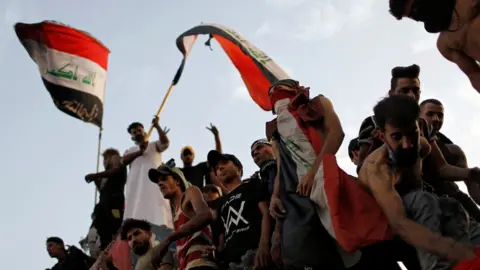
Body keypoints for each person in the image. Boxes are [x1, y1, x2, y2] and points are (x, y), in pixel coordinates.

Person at [267, 79, 394, 269]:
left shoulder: (316, 104)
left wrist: (312, 173)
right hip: (298, 198)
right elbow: (280, 165)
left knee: (364, 240)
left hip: (327, 181)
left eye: (279, 88)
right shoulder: (275, 128)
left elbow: (337, 134)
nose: (276, 94)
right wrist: (275, 195)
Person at [358, 94, 480, 269]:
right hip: (383, 223)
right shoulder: (378, 168)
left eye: (412, 134)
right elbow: (399, 223)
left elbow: (441, 170)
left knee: (451, 206)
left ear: (419, 126)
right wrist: (452, 249)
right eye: (397, 137)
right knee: (423, 200)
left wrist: (471, 174)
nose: (408, 144)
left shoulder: (421, 146)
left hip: (418, 215)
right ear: (381, 136)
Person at [388, 0, 480, 94]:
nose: (417, 12)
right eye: (412, 14)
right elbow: (474, 74)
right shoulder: (445, 44)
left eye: (416, 5)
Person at [207, 150, 273, 269]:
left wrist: (264, 244)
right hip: (232, 263)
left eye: (225, 163)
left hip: (256, 255)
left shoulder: (251, 185)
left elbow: (266, 213)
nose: (220, 168)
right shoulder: (220, 204)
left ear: (239, 168)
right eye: (217, 168)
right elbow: (221, 237)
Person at [148, 159, 218, 270]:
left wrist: (168, 240)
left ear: (177, 181)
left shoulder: (190, 193)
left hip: (200, 264)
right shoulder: (174, 213)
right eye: (158, 182)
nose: (160, 183)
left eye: (164, 179)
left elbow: (205, 215)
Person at [122, 117, 173, 265]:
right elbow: (123, 161)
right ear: (131, 136)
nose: (137, 132)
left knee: (159, 215)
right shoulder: (131, 150)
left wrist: (157, 126)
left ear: (144, 131)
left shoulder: (153, 145)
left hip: (154, 189)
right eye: (134, 132)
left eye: (139, 130)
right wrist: (139, 151)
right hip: (136, 193)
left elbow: (165, 143)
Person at [420, 98, 480, 220]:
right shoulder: (406, 142)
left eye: (440, 115)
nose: (436, 119)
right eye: (430, 114)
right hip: (427, 203)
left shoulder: (453, 150)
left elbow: (472, 186)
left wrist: (472, 173)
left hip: (458, 202)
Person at [357, 64, 421, 168]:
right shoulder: (372, 123)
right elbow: (361, 168)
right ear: (392, 93)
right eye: (404, 91)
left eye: (415, 90)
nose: (411, 96)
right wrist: (376, 144)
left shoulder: (423, 124)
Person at [85, 148, 127, 250]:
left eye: (105, 158)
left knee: (113, 228)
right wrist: (96, 180)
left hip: (114, 204)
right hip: (103, 206)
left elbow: (115, 171)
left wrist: (96, 175)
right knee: (102, 232)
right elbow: (104, 191)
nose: (104, 162)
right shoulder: (106, 175)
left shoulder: (118, 164)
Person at [180, 123, 222, 189]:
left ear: (193, 156)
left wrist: (216, 136)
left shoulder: (200, 167)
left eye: (189, 153)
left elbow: (217, 157)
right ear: (181, 157)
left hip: (199, 198)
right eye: (185, 154)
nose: (188, 156)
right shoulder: (178, 172)